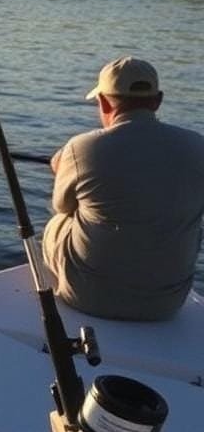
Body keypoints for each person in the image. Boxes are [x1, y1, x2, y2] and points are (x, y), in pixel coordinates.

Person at [42, 56, 204, 321]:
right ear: (157, 100)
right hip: (167, 304)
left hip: (88, 299)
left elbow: (63, 206)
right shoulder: (198, 147)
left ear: (104, 102)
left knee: (62, 218)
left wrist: (63, 167)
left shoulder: (82, 147)